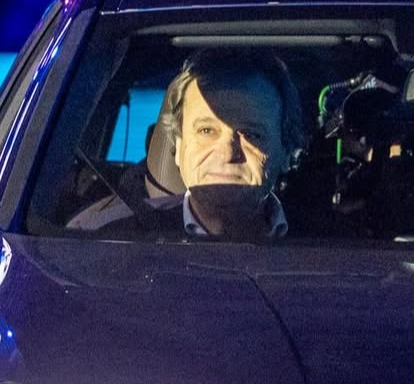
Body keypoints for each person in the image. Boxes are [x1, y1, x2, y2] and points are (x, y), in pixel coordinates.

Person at [74, 50, 306, 241]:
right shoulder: (97, 239)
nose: (226, 152)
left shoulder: (332, 248)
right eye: (206, 131)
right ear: (178, 147)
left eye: (251, 134)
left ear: (287, 151)